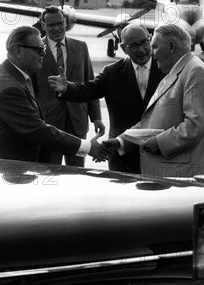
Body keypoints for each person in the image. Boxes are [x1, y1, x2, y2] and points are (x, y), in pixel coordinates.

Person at [0, 26, 109, 164]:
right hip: (0, 164)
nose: (44, 53)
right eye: (39, 49)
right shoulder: (9, 88)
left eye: (44, 48)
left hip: (6, 164)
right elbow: (37, 130)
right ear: (18, 52)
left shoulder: (13, 74)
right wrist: (87, 147)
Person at [104, 24, 204, 181]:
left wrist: (159, 142)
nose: (152, 52)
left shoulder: (194, 71)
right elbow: (151, 122)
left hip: (184, 176)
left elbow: (197, 124)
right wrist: (121, 141)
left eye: (155, 47)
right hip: (172, 173)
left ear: (171, 46)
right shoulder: (175, 70)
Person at [48, 24, 165, 173]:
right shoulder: (112, 72)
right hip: (122, 153)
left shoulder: (166, 67)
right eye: (134, 45)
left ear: (150, 40)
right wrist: (67, 88)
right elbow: (87, 90)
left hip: (158, 151)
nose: (141, 49)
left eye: (144, 42)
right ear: (124, 48)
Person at [33, 6, 104, 166]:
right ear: (43, 26)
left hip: (77, 121)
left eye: (60, 23)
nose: (57, 28)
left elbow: (90, 84)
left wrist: (96, 117)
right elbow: (31, 90)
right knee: (50, 171)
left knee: (77, 173)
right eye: (51, 25)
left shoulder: (81, 47)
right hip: (48, 124)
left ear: (66, 23)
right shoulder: (36, 50)